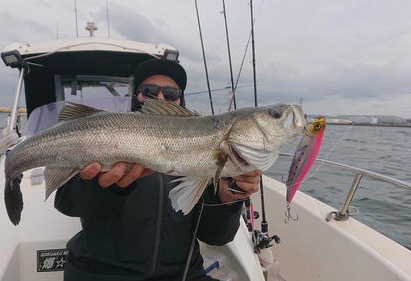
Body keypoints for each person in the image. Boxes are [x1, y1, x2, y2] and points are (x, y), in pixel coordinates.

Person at [54, 58, 261, 281]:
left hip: (182, 275)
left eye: (171, 94)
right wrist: (105, 187)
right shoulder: (104, 138)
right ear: (136, 97)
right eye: (149, 91)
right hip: (102, 274)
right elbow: (67, 203)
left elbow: (215, 236)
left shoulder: (205, 159)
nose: (160, 97)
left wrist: (227, 199)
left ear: (181, 100)